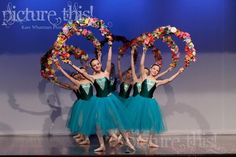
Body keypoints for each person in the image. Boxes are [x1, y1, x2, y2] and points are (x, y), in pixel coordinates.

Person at [66, 38, 135, 152]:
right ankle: (102, 145)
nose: (97, 66)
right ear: (92, 68)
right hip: (98, 101)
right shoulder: (92, 77)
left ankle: (127, 140)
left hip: (109, 100)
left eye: (98, 64)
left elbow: (109, 60)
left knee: (117, 121)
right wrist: (71, 64)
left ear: (100, 64)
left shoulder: (106, 73)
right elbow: (82, 72)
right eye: (94, 65)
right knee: (99, 124)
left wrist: (110, 46)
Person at [131, 45, 184, 148]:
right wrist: (144, 51)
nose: (155, 71)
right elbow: (142, 64)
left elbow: (168, 80)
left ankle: (150, 141)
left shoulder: (156, 82)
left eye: (157, 70)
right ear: (150, 69)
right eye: (154, 69)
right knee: (140, 119)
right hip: (141, 100)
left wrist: (178, 72)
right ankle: (138, 136)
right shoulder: (144, 77)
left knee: (152, 121)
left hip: (150, 102)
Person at [55, 62, 95, 145]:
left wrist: (98, 55)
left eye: (83, 72)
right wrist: (60, 70)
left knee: (97, 121)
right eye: (80, 72)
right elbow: (68, 80)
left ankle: (111, 136)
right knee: (83, 121)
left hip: (92, 103)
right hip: (83, 103)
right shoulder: (78, 83)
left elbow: (94, 72)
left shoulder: (91, 80)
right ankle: (86, 138)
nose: (81, 73)